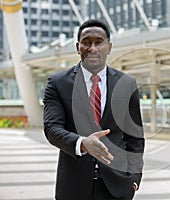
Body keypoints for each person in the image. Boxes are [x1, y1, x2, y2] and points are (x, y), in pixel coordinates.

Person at [43, 19, 144, 200]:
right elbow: (52, 128)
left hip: (118, 187)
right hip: (73, 187)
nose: (92, 48)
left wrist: (134, 179)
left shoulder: (127, 84)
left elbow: (135, 137)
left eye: (99, 42)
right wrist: (82, 143)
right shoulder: (58, 83)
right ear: (77, 46)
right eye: (86, 42)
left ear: (109, 46)